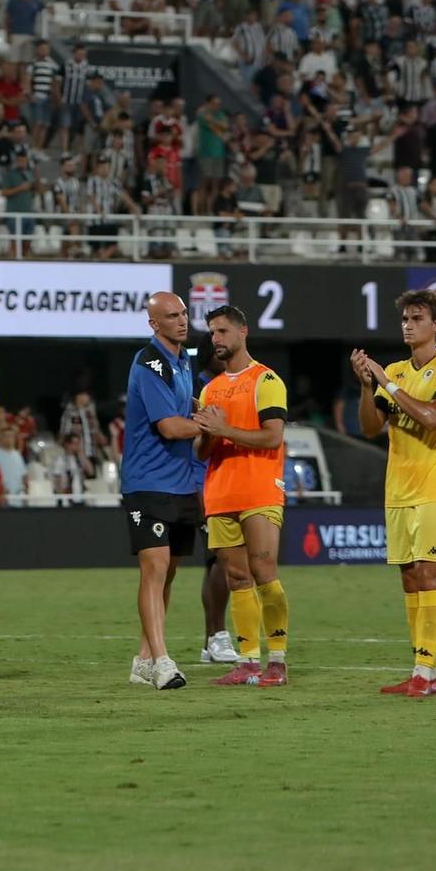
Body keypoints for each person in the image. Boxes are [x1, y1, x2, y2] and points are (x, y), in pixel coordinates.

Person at [352, 289, 436, 699]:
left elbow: (433, 418)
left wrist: (385, 382)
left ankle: (424, 672)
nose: (407, 325)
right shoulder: (396, 371)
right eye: (405, 318)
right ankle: (425, 671)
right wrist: (367, 386)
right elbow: (371, 428)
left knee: (429, 575)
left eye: (417, 318)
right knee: (409, 578)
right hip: (398, 491)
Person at [192, 305, 291, 688]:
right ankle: (248, 662)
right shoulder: (210, 389)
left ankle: (277, 661)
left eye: (222, 331)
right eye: (212, 332)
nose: (215, 338)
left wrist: (225, 429)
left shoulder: (265, 379)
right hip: (220, 492)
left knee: (264, 571)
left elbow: (273, 437)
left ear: (242, 331)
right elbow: (202, 451)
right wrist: (209, 432)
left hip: (259, 489)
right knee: (236, 578)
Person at [120, 292, 205, 691]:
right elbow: (170, 427)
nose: (182, 320)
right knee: (155, 569)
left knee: (168, 573)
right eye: (172, 316)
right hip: (148, 483)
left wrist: (201, 412)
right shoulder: (150, 363)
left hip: (181, 482)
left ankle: (143, 660)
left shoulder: (183, 360)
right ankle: (163, 662)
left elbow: (187, 408)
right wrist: (212, 424)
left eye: (184, 313)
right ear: (154, 324)